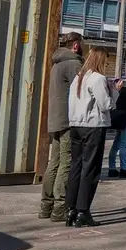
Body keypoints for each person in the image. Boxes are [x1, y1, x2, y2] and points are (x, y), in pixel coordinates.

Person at [64, 47, 112, 227]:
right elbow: (105, 104)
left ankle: (71, 208)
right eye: (106, 60)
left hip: (76, 124)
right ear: (100, 60)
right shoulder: (98, 78)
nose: (107, 64)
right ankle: (83, 210)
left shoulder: (79, 77)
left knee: (75, 166)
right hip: (93, 125)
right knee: (90, 169)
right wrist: (113, 91)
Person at [39, 33, 84, 222]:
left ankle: (46, 206)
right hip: (67, 119)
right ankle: (60, 207)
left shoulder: (57, 63)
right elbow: (83, 90)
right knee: (67, 162)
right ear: (75, 46)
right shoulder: (73, 64)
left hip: (55, 119)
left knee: (54, 162)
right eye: (81, 45)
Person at [107, 73, 126, 179]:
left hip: (119, 120)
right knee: (125, 145)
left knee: (116, 145)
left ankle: (112, 168)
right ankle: (124, 169)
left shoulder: (121, 87)